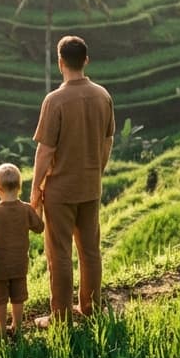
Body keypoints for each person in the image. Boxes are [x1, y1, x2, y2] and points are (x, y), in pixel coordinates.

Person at [30, 34, 114, 323]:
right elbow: (107, 140)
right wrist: (97, 169)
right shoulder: (103, 95)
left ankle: (61, 315)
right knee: (90, 250)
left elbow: (45, 151)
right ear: (86, 60)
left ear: (60, 62)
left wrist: (36, 189)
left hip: (60, 191)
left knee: (60, 254)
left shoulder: (55, 101)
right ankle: (91, 307)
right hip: (91, 186)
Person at [0, 162, 44, 338]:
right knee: (18, 296)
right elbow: (39, 227)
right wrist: (39, 207)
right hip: (19, 263)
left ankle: (0, 332)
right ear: (20, 187)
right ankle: (17, 328)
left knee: (0, 300)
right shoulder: (26, 209)